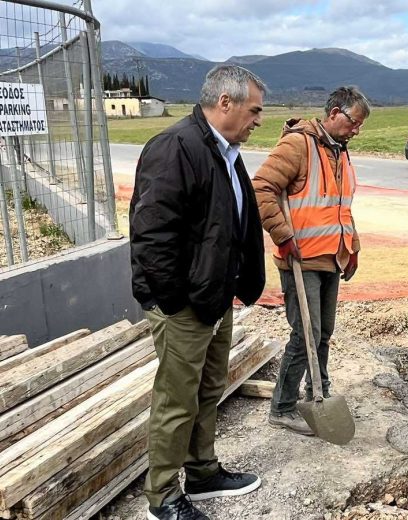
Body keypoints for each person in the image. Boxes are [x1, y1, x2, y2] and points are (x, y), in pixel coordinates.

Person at [129, 65, 267, 520]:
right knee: (176, 400)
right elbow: (152, 236)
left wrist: (235, 285)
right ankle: (163, 498)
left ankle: (202, 472)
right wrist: (176, 303)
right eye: (254, 110)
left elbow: (227, 224)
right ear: (224, 103)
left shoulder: (225, 151)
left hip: (213, 298)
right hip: (185, 304)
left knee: (209, 390)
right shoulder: (175, 147)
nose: (258, 120)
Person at [252, 86, 370, 435]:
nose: (356, 130)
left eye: (360, 125)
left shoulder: (339, 152)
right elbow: (260, 189)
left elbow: (341, 206)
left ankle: (319, 391)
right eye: (353, 122)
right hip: (300, 258)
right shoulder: (298, 144)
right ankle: (282, 407)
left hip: (332, 256)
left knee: (323, 334)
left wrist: (353, 246)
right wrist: (283, 236)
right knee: (305, 334)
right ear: (334, 113)